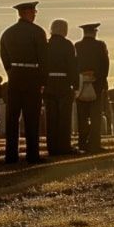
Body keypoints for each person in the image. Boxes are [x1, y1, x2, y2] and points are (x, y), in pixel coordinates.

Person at [0, 1, 48, 164]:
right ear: (28, 13)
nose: (35, 14)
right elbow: (43, 58)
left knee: (12, 117)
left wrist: (11, 72)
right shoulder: (38, 32)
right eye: (34, 12)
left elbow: (4, 56)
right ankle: (32, 154)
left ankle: (11, 155)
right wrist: (43, 80)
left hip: (14, 76)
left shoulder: (7, 33)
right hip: (32, 76)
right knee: (31, 117)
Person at [74, 22, 109, 153]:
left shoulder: (77, 46)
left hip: (81, 84)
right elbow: (105, 65)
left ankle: (82, 143)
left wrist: (81, 77)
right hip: (96, 85)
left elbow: (74, 64)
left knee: (82, 117)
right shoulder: (100, 45)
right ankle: (95, 143)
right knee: (95, 117)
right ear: (94, 32)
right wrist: (99, 78)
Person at [44, 19, 78, 156]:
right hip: (64, 83)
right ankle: (64, 146)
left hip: (48, 84)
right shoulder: (68, 45)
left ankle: (52, 147)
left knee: (51, 118)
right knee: (64, 118)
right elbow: (72, 66)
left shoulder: (45, 44)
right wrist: (75, 85)